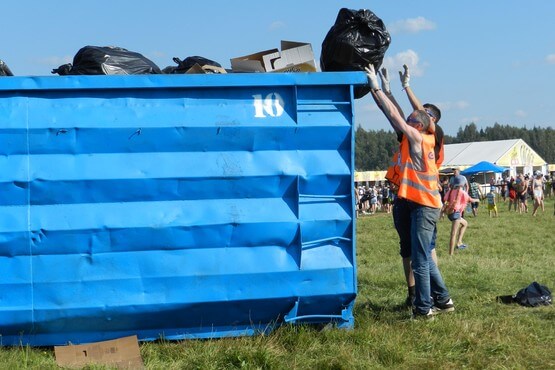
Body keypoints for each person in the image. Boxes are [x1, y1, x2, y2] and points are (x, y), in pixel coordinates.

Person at [366, 63, 453, 319]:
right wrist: (386, 90)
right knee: (420, 255)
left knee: (422, 259)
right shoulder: (417, 135)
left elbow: (398, 116)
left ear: (428, 123)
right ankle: (443, 299)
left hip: (424, 204)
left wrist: (388, 89)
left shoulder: (425, 136)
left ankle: (423, 308)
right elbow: (395, 113)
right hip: (416, 202)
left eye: (417, 117)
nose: (411, 117)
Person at [443, 177, 480, 255]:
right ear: (462, 184)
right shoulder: (462, 192)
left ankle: (459, 242)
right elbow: (470, 199)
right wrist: (477, 200)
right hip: (456, 214)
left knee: (465, 224)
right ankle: (451, 254)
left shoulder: (450, 191)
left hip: (450, 213)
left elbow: (445, 199)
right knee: (453, 234)